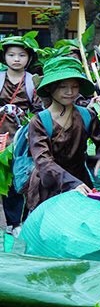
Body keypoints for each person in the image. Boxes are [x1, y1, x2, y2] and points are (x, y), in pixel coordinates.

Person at [23, 57, 100, 213]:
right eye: (62, 87)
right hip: (50, 184)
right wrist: (70, 183)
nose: (70, 92)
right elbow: (43, 161)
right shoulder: (39, 121)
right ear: (50, 89)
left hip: (81, 181)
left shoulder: (87, 115)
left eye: (74, 86)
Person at [0, 34, 43, 227]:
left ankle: (20, 221)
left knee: (22, 177)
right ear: (5, 57)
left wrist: (25, 117)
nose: (16, 59)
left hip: (23, 139)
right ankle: (11, 222)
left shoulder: (32, 81)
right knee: (5, 180)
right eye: (11, 55)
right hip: (1, 136)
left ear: (29, 58)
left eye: (21, 55)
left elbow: (40, 110)